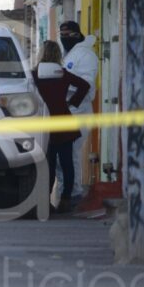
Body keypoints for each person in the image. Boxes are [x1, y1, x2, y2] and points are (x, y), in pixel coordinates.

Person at [34, 40, 90, 213]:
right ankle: (66, 199)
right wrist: (71, 103)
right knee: (67, 164)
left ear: (41, 54)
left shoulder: (34, 75)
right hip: (64, 121)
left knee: (48, 164)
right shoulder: (62, 73)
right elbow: (84, 85)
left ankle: (46, 200)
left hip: (45, 123)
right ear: (58, 54)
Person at [58, 20, 99, 201]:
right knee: (63, 157)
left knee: (70, 154)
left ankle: (73, 194)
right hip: (67, 112)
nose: (64, 38)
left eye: (67, 35)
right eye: (62, 35)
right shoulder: (70, 54)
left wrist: (67, 95)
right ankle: (65, 193)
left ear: (76, 34)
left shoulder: (86, 55)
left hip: (79, 111)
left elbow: (86, 85)